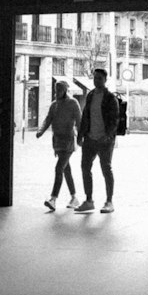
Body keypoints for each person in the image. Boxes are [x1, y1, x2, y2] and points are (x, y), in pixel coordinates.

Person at [74, 68, 119, 213]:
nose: (96, 80)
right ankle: (89, 200)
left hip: (105, 140)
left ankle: (109, 201)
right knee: (85, 167)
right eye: (95, 78)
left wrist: (108, 136)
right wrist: (81, 135)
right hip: (90, 139)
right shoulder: (91, 95)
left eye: (99, 78)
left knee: (106, 168)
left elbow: (114, 119)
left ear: (105, 80)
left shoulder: (110, 98)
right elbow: (85, 116)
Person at [36, 78, 82, 211]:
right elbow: (48, 119)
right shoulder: (54, 104)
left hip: (68, 141)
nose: (57, 92)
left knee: (59, 168)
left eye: (60, 89)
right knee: (66, 169)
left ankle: (53, 199)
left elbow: (79, 122)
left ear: (65, 90)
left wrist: (80, 138)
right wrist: (41, 131)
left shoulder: (73, 103)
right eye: (56, 89)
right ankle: (74, 197)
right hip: (57, 141)